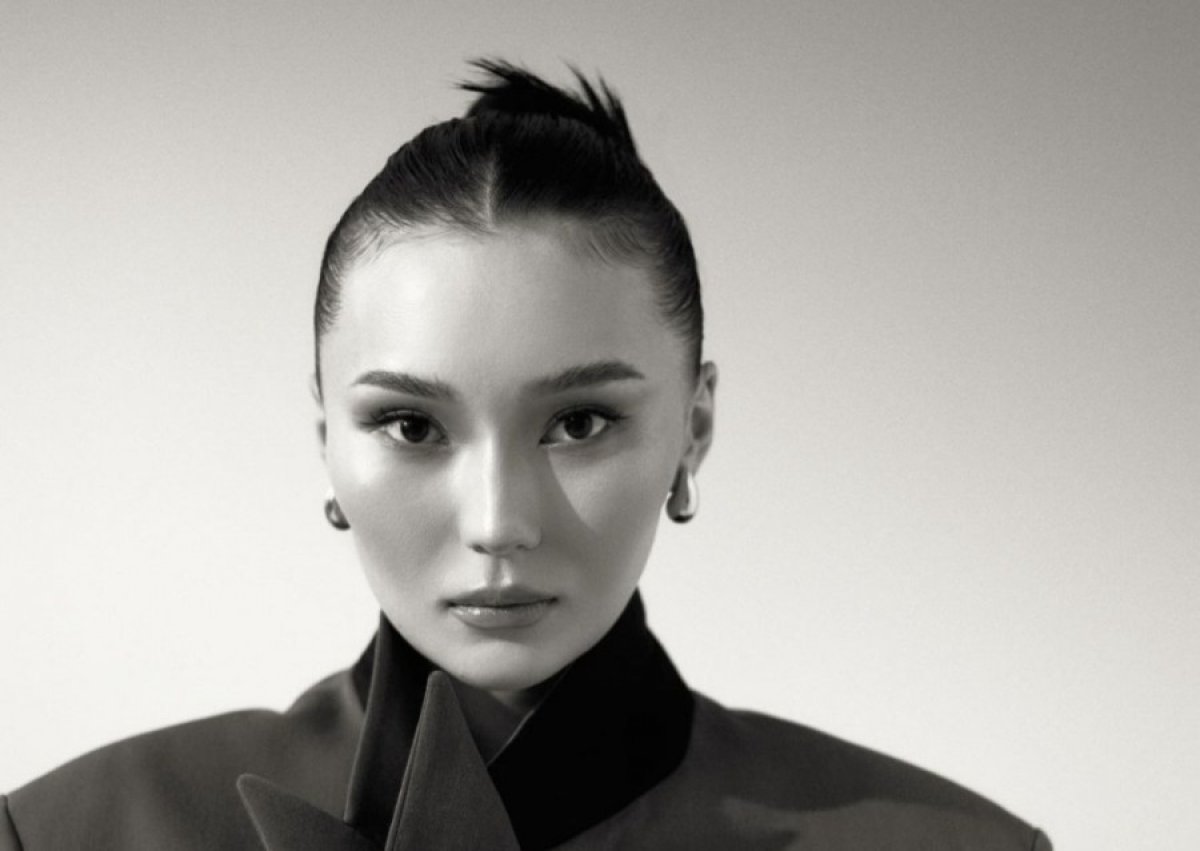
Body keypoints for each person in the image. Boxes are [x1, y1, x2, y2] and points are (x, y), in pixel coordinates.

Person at [0, 60, 1051, 851]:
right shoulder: (65, 833)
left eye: (580, 422)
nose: (498, 520)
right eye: (413, 426)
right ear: (327, 444)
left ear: (693, 427)